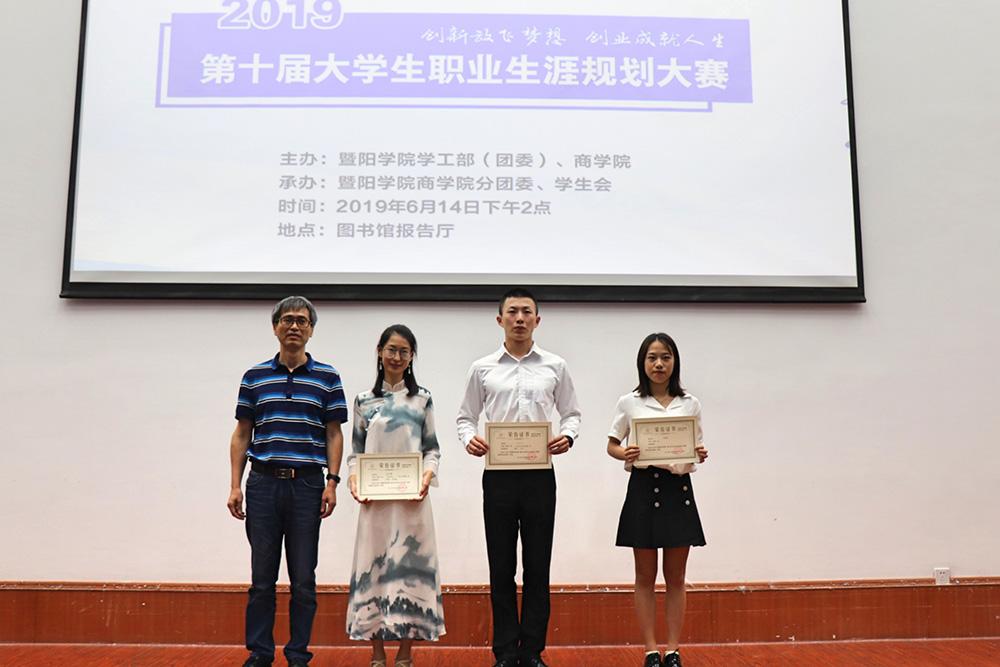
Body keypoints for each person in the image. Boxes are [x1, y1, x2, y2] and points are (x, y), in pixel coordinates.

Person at [457, 288, 581, 667]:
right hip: (498, 477)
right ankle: (506, 652)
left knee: (538, 565)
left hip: (540, 475)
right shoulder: (483, 368)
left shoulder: (555, 366)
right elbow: (465, 417)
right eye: (512, 312)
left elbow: (572, 413)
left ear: (537, 320)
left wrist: (568, 436)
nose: (520, 318)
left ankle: (532, 652)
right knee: (501, 567)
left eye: (527, 312)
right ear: (500, 320)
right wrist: (469, 439)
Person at [227, 296, 347, 667]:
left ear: (311, 330)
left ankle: (297, 655)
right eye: (287, 319)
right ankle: (260, 653)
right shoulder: (254, 376)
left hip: (307, 486)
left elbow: (334, 434)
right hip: (262, 485)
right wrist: (235, 485)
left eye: (302, 321)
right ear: (275, 326)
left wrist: (332, 482)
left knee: (303, 579)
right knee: (262, 579)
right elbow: (242, 433)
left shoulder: (328, 377)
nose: (294, 326)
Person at [606, 333, 709, 667]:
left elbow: (695, 445)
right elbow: (612, 445)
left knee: (676, 578)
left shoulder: (689, 403)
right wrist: (625, 452)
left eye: (666, 357)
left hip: (677, 490)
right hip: (643, 488)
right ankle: (651, 650)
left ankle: (673, 650)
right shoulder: (629, 402)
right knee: (645, 577)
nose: (659, 364)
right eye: (652, 357)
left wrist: (700, 453)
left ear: (675, 362)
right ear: (643, 363)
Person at [346, 324, 445, 667]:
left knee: (409, 573)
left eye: (404, 351)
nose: (397, 357)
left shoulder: (422, 399)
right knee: (372, 571)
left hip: (412, 504)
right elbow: (355, 453)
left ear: (412, 356)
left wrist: (427, 476)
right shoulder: (363, 400)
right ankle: (376, 654)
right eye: (391, 349)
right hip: (374, 504)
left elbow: (432, 449)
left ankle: (404, 654)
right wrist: (355, 481)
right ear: (379, 351)